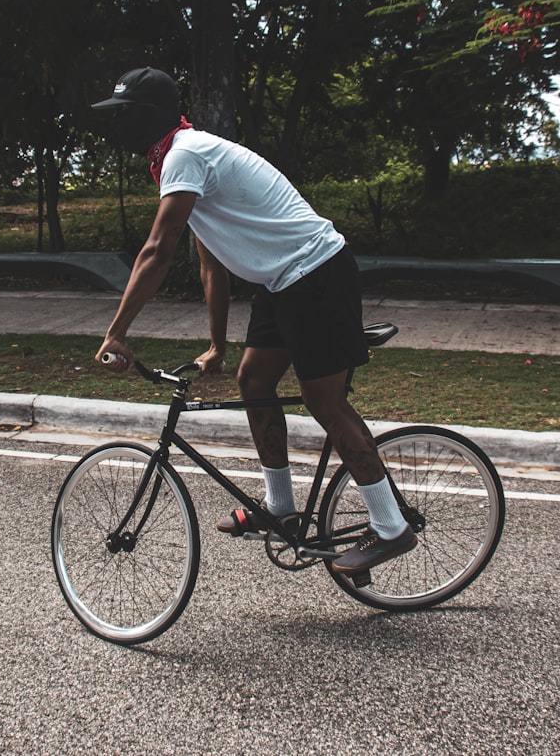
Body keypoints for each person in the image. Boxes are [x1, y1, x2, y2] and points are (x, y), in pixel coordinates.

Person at [92, 66, 415, 575]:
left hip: (316, 273)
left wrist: (117, 332)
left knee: (323, 402)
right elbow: (210, 262)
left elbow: (158, 249)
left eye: (122, 116)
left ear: (144, 117)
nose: (115, 128)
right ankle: (281, 509)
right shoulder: (179, 159)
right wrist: (217, 345)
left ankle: (392, 529)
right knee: (254, 380)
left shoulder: (186, 153)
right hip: (282, 284)